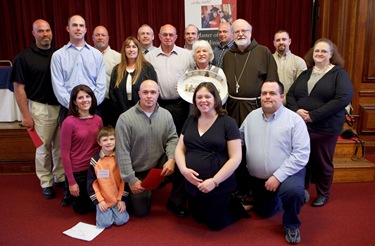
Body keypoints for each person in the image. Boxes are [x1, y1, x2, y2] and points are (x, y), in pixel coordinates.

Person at [240, 81, 310, 244]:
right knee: (265, 212)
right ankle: (288, 196)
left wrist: (278, 177)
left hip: (288, 174)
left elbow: (301, 154)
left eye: (272, 93)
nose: (267, 97)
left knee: (292, 191)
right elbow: (239, 140)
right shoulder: (251, 117)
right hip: (260, 178)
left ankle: (291, 223)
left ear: (281, 96)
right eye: (264, 93)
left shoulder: (294, 120)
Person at [287, 38, 354, 207]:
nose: (319, 54)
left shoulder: (339, 73)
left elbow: (343, 98)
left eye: (324, 51)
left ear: (331, 54)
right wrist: (297, 110)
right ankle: (303, 190)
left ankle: (323, 193)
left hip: (325, 127)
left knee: (322, 160)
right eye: (317, 51)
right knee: (303, 159)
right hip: (303, 126)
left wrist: (314, 115)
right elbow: (290, 95)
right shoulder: (306, 73)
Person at [175, 82, 248, 231]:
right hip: (192, 183)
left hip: (218, 184)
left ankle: (237, 206)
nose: (203, 100)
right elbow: (179, 149)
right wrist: (184, 170)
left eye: (207, 96)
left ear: (216, 99)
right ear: (194, 100)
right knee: (198, 218)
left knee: (214, 225)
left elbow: (235, 158)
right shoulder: (190, 120)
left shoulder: (228, 122)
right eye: (199, 97)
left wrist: (214, 181)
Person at [115, 80, 188, 217]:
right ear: (139, 94)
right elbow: (122, 152)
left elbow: (172, 139)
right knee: (140, 212)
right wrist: (131, 180)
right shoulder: (125, 119)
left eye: (153, 92)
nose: (149, 96)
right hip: (137, 172)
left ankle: (174, 201)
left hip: (158, 166)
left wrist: (172, 158)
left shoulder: (166, 115)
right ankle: (139, 189)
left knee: (184, 158)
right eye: (145, 92)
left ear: (158, 94)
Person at [11, 19, 64, 199]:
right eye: (40, 31)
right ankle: (46, 181)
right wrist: (26, 115)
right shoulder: (23, 57)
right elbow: (19, 88)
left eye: (47, 30)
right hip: (41, 109)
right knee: (42, 148)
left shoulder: (59, 53)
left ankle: (60, 176)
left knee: (59, 147)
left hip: (62, 107)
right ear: (33, 33)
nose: (45, 34)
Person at [222, 18, 278, 127]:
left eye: (244, 31)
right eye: (237, 32)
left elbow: (272, 81)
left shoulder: (263, 52)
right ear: (232, 35)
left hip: (255, 107)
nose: (240, 34)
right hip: (232, 107)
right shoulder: (228, 55)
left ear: (250, 33)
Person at [51, 15, 106, 124]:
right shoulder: (58, 56)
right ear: (68, 28)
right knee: (69, 141)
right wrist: (73, 105)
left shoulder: (97, 55)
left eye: (81, 26)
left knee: (95, 140)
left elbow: (101, 85)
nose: (78, 28)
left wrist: (91, 104)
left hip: (93, 109)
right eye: (74, 25)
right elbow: (58, 86)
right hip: (69, 110)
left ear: (85, 30)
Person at [60, 85, 103, 214]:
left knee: (99, 204)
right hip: (79, 170)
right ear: (74, 101)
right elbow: (64, 154)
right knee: (81, 210)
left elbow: (101, 145)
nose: (85, 100)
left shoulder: (98, 120)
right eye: (80, 98)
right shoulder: (69, 122)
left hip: (95, 168)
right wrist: (72, 182)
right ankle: (69, 192)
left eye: (87, 96)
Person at [145, 24, 194, 135]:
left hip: (181, 105)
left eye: (171, 35)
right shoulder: (149, 57)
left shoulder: (187, 55)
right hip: (158, 104)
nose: (168, 37)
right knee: (160, 133)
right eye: (165, 35)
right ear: (159, 36)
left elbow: (192, 77)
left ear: (176, 37)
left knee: (180, 134)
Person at [87, 126, 130, 228]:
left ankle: (114, 211)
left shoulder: (120, 158)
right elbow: (92, 184)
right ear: (99, 142)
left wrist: (122, 199)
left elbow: (125, 180)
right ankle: (106, 212)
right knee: (105, 224)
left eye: (111, 139)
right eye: (105, 140)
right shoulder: (95, 161)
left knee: (121, 221)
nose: (109, 142)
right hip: (103, 199)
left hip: (117, 198)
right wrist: (100, 201)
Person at [109, 36, 157, 125]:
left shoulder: (147, 68)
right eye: (128, 47)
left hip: (144, 114)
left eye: (134, 47)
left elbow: (153, 91)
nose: (131, 50)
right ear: (124, 50)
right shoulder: (117, 70)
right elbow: (113, 94)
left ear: (138, 49)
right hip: (121, 114)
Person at [92, 25, 121, 126]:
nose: (100, 37)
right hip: (92, 103)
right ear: (92, 37)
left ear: (108, 38)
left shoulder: (118, 57)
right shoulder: (87, 56)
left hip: (111, 103)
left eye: (103, 35)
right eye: (97, 35)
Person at [273, 30, 307, 104]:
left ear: (289, 41)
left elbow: (301, 87)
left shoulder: (299, 62)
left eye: (284, 39)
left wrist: (286, 100)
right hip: (271, 103)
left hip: (291, 104)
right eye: (278, 40)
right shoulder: (268, 60)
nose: (281, 42)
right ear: (274, 43)